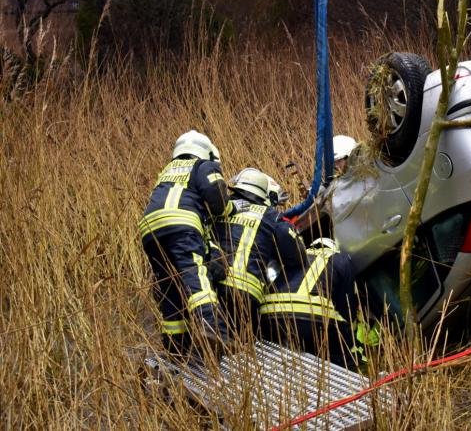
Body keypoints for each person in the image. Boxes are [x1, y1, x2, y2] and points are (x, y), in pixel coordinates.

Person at [139, 130, 233, 356]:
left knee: (169, 288)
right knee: (195, 275)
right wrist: (231, 209)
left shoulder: (166, 171)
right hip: (182, 225)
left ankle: (175, 346)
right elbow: (217, 198)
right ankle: (212, 330)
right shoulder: (203, 166)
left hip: (150, 230)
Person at [213, 168, 306, 339]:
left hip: (210, 285)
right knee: (241, 346)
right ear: (263, 194)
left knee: (206, 338)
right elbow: (296, 256)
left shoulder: (219, 209)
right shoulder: (273, 217)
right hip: (245, 295)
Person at [259, 237, 360, 367]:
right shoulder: (340, 259)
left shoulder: (295, 256)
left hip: (270, 316)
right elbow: (345, 306)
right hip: (311, 318)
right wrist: (349, 333)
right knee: (345, 355)